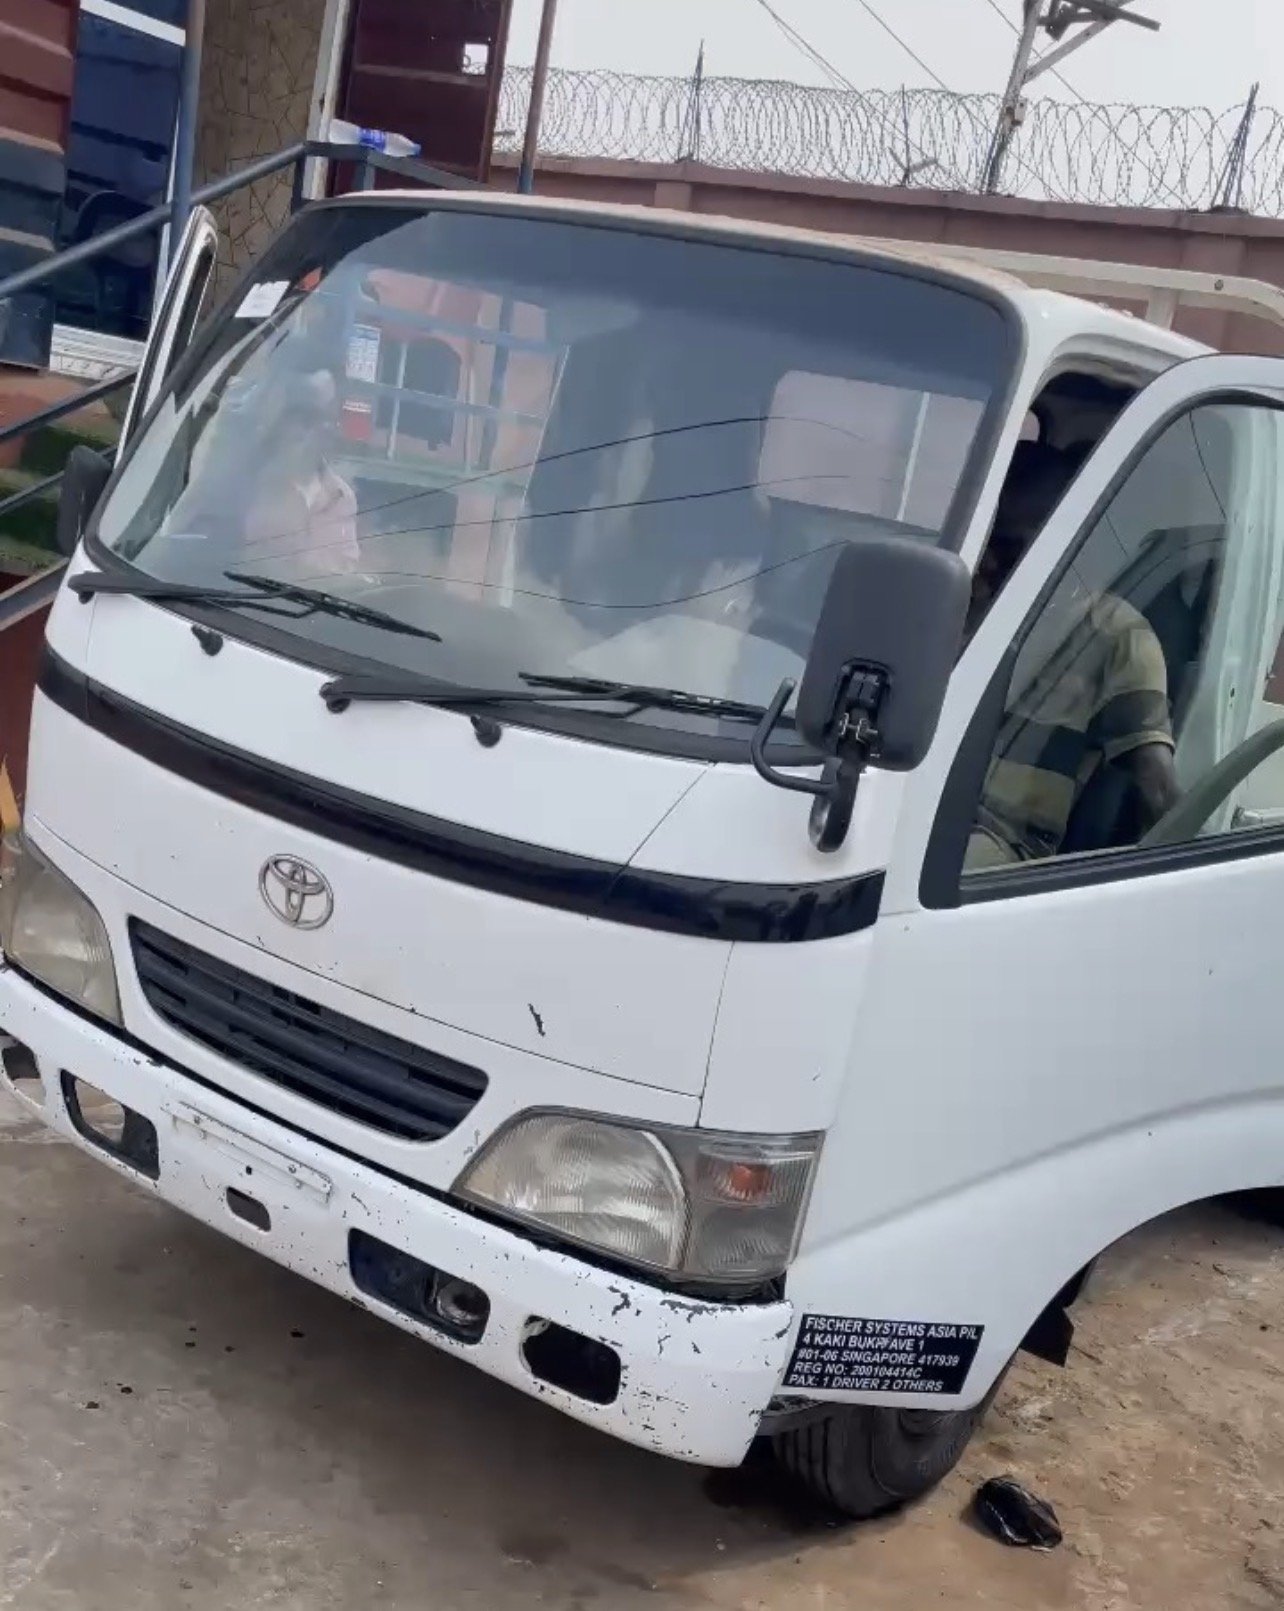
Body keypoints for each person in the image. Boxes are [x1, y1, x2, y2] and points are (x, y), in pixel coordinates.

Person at [967, 444, 1181, 870]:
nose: (990, 558)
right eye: (990, 538)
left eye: (1009, 544)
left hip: (1002, 842)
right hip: (920, 807)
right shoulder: (968, 606)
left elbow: (1156, 788)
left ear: (1059, 541)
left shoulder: (1119, 636)